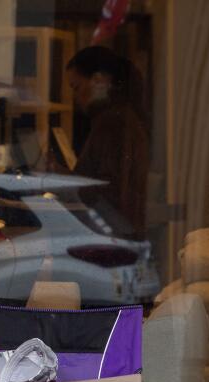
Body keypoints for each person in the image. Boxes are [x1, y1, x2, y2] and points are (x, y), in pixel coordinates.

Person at [64, 46, 149, 239]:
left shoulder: (113, 123)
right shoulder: (121, 117)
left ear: (98, 81)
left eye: (77, 88)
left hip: (110, 236)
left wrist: (59, 177)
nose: (75, 97)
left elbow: (108, 191)